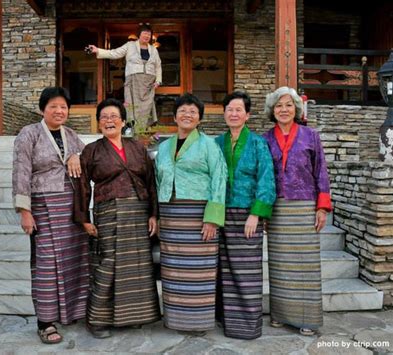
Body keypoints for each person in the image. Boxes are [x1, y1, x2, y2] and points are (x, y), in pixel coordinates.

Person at [76, 98, 160, 339]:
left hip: (138, 211)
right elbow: (82, 186)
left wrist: (154, 213)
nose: (109, 120)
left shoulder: (137, 148)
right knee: (108, 264)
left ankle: (134, 316)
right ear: (98, 123)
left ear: (123, 121)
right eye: (104, 117)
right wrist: (84, 218)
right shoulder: (92, 151)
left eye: (114, 116)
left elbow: (151, 181)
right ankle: (97, 320)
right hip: (108, 213)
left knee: (137, 266)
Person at [12, 87, 89, 344]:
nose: (59, 111)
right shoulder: (29, 134)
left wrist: (77, 155)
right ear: (42, 109)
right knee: (46, 266)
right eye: (54, 106)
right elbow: (21, 171)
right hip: (43, 207)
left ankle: (72, 313)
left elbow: (87, 159)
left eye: (64, 107)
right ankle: (45, 321)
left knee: (73, 261)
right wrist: (25, 211)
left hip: (71, 208)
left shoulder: (71, 135)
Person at [155, 93, 227, 335]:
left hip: (198, 215)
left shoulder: (210, 145)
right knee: (173, 268)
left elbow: (219, 179)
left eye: (193, 112)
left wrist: (212, 219)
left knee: (200, 270)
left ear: (200, 119)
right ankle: (175, 319)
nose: (187, 115)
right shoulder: (164, 147)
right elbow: (156, 181)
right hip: (171, 215)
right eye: (182, 111)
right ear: (174, 116)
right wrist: (156, 214)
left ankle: (198, 321)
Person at [263, 86, 332, 336]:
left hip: (304, 206)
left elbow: (321, 170)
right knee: (280, 264)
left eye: (288, 105)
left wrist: (322, 207)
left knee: (306, 264)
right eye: (279, 106)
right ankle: (280, 314)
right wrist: (263, 212)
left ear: (296, 109)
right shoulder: (265, 139)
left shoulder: (310, 135)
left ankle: (307, 318)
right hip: (277, 208)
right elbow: (263, 177)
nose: (284, 109)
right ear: (272, 110)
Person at [215, 91, 276, 339]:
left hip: (247, 215)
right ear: (224, 113)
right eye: (229, 109)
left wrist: (256, 214)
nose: (233, 113)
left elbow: (266, 179)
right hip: (221, 213)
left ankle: (248, 325)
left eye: (239, 109)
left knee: (246, 271)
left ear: (247, 115)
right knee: (223, 270)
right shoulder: (217, 143)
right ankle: (226, 321)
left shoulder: (258, 143)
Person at [87, 23, 162, 130]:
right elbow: (115, 53)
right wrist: (98, 50)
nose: (147, 36)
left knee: (147, 108)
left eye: (149, 35)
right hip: (133, 81)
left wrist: (158, 81)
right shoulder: (130, 45)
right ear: (139, 35)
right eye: (145, 34)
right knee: (133, 107)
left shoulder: (153, 50)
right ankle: (134, 130)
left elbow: (158, 66)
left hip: (148, 84)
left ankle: (144, 131)